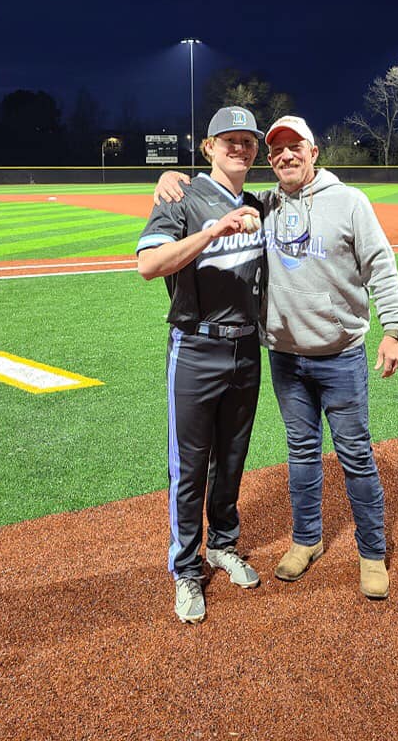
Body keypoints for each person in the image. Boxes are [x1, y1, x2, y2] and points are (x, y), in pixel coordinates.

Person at [154, 114, 398, 600]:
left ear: (314, 152)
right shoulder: (263, 205)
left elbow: (381, 265)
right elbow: (210, 199)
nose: (285, 156)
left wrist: (393, 329)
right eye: (276, 150)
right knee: (302, 453)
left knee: (355, 454)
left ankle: (372, 551)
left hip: (340, 355)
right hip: (286, 359)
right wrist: (168, 178)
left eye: (295, 147)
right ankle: (306, 541)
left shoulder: (350, 202)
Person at [136, 106, 266, 624]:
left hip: (246, 349)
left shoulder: (261, 203)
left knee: (232, 460)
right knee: (189, 467)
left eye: (248, 141)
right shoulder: (181, 198)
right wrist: (213, 231)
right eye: (228, 140)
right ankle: (186, 569)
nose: (240, 147)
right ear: (208, 147)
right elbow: (148, 265)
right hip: (195, 347)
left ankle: (223, 545)